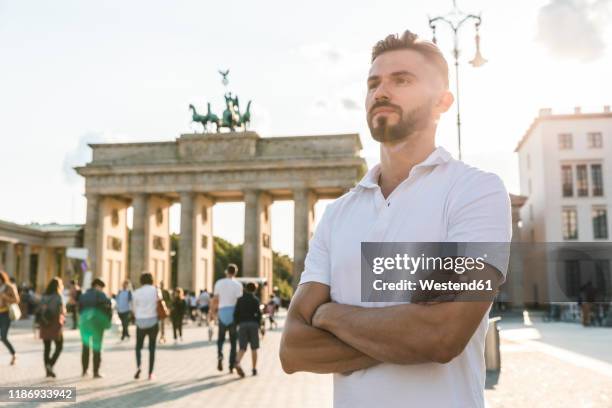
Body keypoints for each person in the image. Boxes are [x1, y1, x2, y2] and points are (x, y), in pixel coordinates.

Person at [279, 30, 511, 408]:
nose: (381, 92)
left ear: (442, 102)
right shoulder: (338, 214)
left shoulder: (476, 191)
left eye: (401, 80)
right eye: (374, 83)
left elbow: (444, 335)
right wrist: (407, 335)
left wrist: (328, 314)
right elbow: (293, 349)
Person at [211, 264, 243, 372]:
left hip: (222, 312)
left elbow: (215, 299)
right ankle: (231, 365)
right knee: (233, 341)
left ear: (226, 271)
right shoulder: (238, 284)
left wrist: (213, 313)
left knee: (220, 339)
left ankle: (220, 355)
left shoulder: (219, 283)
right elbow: (239, 302)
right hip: (233, 313)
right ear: (235, 272)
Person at [79, 278, 112, 378]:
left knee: (85, 347)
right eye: (101, 287)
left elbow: (79, 310)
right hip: (97, 325)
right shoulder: (101, 295)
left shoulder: (83, 295)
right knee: (96, 348)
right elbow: (108, 308)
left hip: (84, 325)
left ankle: (84, 371)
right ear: (97, 286)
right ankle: (95, 372)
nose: (102, 289)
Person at [133, 273, 160, 380]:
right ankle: (150, 373)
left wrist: (138, 315)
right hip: (153, 321)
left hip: (140, 322)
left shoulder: (137, 292)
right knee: (152, 348)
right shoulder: (155, 290)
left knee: (138, 347)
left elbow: (134, 308)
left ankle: (139, 366)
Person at [38, 277, 66, 377]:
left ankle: (48, 369)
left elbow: (39, 309)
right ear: (58, 286)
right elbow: (62, 311)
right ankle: (50, 364)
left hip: (44, 323)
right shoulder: (59, 296)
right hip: (55, 324)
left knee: (47, 348)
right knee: (60, 346)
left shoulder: (44, 296)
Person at [234, 282, 262, 377]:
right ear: (254, 290)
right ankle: (254, 369)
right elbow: (259, 314)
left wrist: (237, 324)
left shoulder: (240, 300)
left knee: (242, 347)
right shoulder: (255, 300)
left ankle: (237, 362)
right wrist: (259, 325)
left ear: (245, 289)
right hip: (253, 324)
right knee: (254, 348)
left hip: (242, 324)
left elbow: (236, 313)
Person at [0, 270, 20, 366]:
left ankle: (14, 354)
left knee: (3, 337)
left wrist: (5, 297)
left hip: (5, 314)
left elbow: (16, 300)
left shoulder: (10, 287)